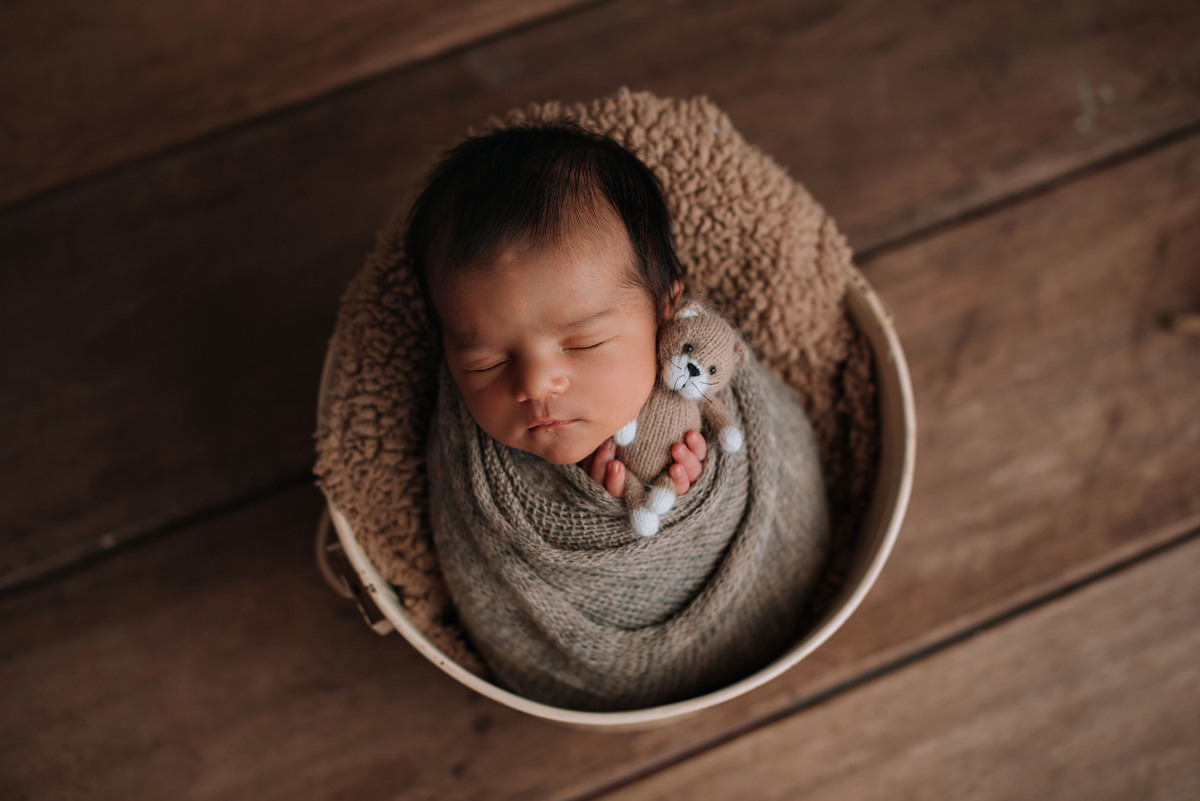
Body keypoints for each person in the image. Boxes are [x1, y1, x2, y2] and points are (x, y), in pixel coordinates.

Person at [404, 121, 708, 497]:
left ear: (665, 314)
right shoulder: (472, 468)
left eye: (585, 343)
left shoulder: (704, 375)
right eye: (485, 362)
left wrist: (694, 488)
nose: (534, 385)